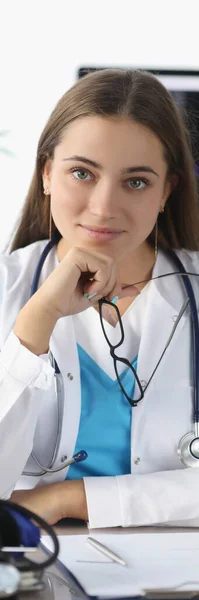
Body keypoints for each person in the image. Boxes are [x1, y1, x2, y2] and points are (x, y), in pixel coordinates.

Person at [1, 68, 199, 529]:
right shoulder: (11, 288)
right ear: (47, 173)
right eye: (82, 173)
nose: (104, 207)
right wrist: (38, 320)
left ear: (166, 190)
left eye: (136, 182)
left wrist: (69, 498)